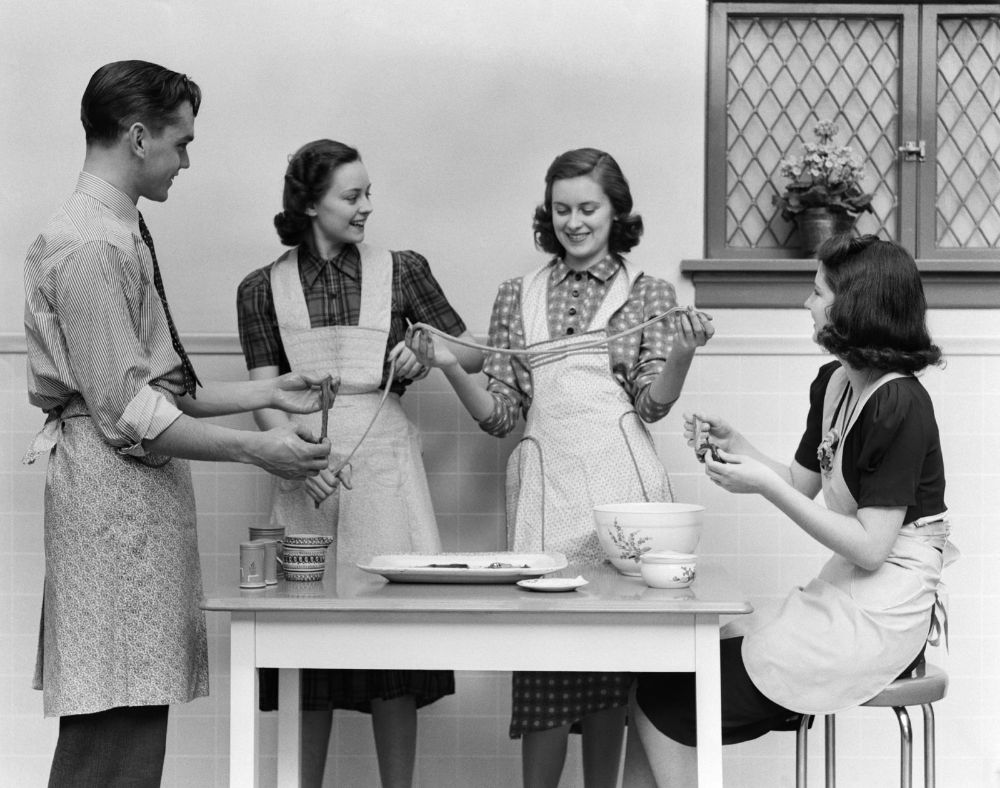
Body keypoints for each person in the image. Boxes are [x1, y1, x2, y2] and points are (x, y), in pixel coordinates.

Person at [21, 61, 332, 787]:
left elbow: (154, 387)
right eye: (181, 143)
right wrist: (260, 449)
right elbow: (131, 412)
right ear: (137, 136)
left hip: (129, 503)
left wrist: (275, 393)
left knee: (133, 714)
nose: (187, 159)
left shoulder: (117, 231)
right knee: (112, 728)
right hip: (110, 505)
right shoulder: (91, 245)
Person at [406, 147, 714, 788]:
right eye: (562, 208)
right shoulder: (517, 295)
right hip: (547, 495)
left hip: (625, 493)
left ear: (615, 212)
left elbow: (652, 404)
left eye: (589, 208)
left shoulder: (649, 294)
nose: (574, 221)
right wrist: (445, 366)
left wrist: (682, 354)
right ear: (548, 214)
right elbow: (500, 415)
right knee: (545, 669)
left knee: (611, 670)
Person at [625, 234, 956, 787]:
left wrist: (763, 486)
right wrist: (740, 449)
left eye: (818, 292)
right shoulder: (834, 383)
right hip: (847, 597)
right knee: (657, 693)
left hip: (884, 612)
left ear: (856, 306)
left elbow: (872, 549)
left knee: (663, 704)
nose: (807, 303)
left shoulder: (900, 403)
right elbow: (802, 482)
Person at [236, 138, 482, 788]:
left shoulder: (403, 270)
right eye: (353, 194)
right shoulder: (262, 288)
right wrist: (291, 458)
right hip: (304, 468)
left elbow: (475, 356)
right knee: (304, 658)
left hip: (385, 468)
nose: (368, 205)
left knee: (392, 654)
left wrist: (427, 349)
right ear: (311, 203)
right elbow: (265, 394)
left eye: (368, 191)